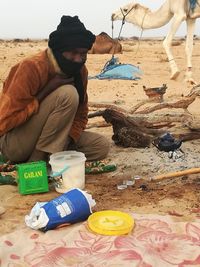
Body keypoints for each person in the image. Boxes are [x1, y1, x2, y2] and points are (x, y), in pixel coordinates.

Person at [0, 15, 110, 163]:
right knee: (68, 94)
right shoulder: (31, 67)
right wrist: (46, 91)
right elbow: (5, 121)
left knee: (100, 146)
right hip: (15, 145)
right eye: (73, 52)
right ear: (60, 50)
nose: (78, 59)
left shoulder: (80, 72)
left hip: (53, 139)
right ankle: (39, 162)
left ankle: (52, 154)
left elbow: (81, 113)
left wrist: (69, 138)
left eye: (83, 54)